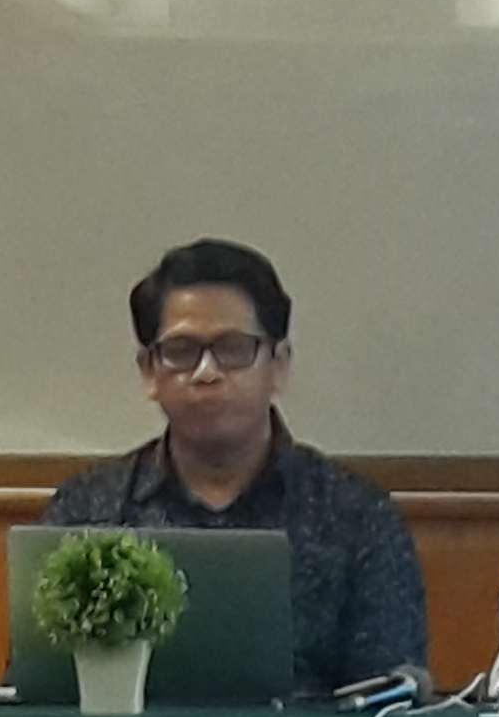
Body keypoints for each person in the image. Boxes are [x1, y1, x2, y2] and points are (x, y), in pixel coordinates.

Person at [40, 238, 427, 692]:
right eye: (181, 350)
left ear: (278, 365)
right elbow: (38, 693)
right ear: (148, 371)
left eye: (233, 348)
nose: (207, 372)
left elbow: (388, 702)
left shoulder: (358, 518)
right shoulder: (86, 513)